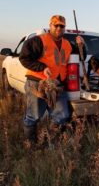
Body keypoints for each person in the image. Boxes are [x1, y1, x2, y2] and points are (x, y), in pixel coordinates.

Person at [19, 15, 85, 143]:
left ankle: (49, 141)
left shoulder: (67, 44)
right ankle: (30, 145)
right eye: (56, 25)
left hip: (56, 86)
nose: (59, 28)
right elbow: (24, 58)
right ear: (50, 25)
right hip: (38, 83)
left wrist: (81, 44)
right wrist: (42, 67)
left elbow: (82, 56)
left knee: (62, 115)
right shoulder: (39, 41)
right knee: (34, 116)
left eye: (62, 26)